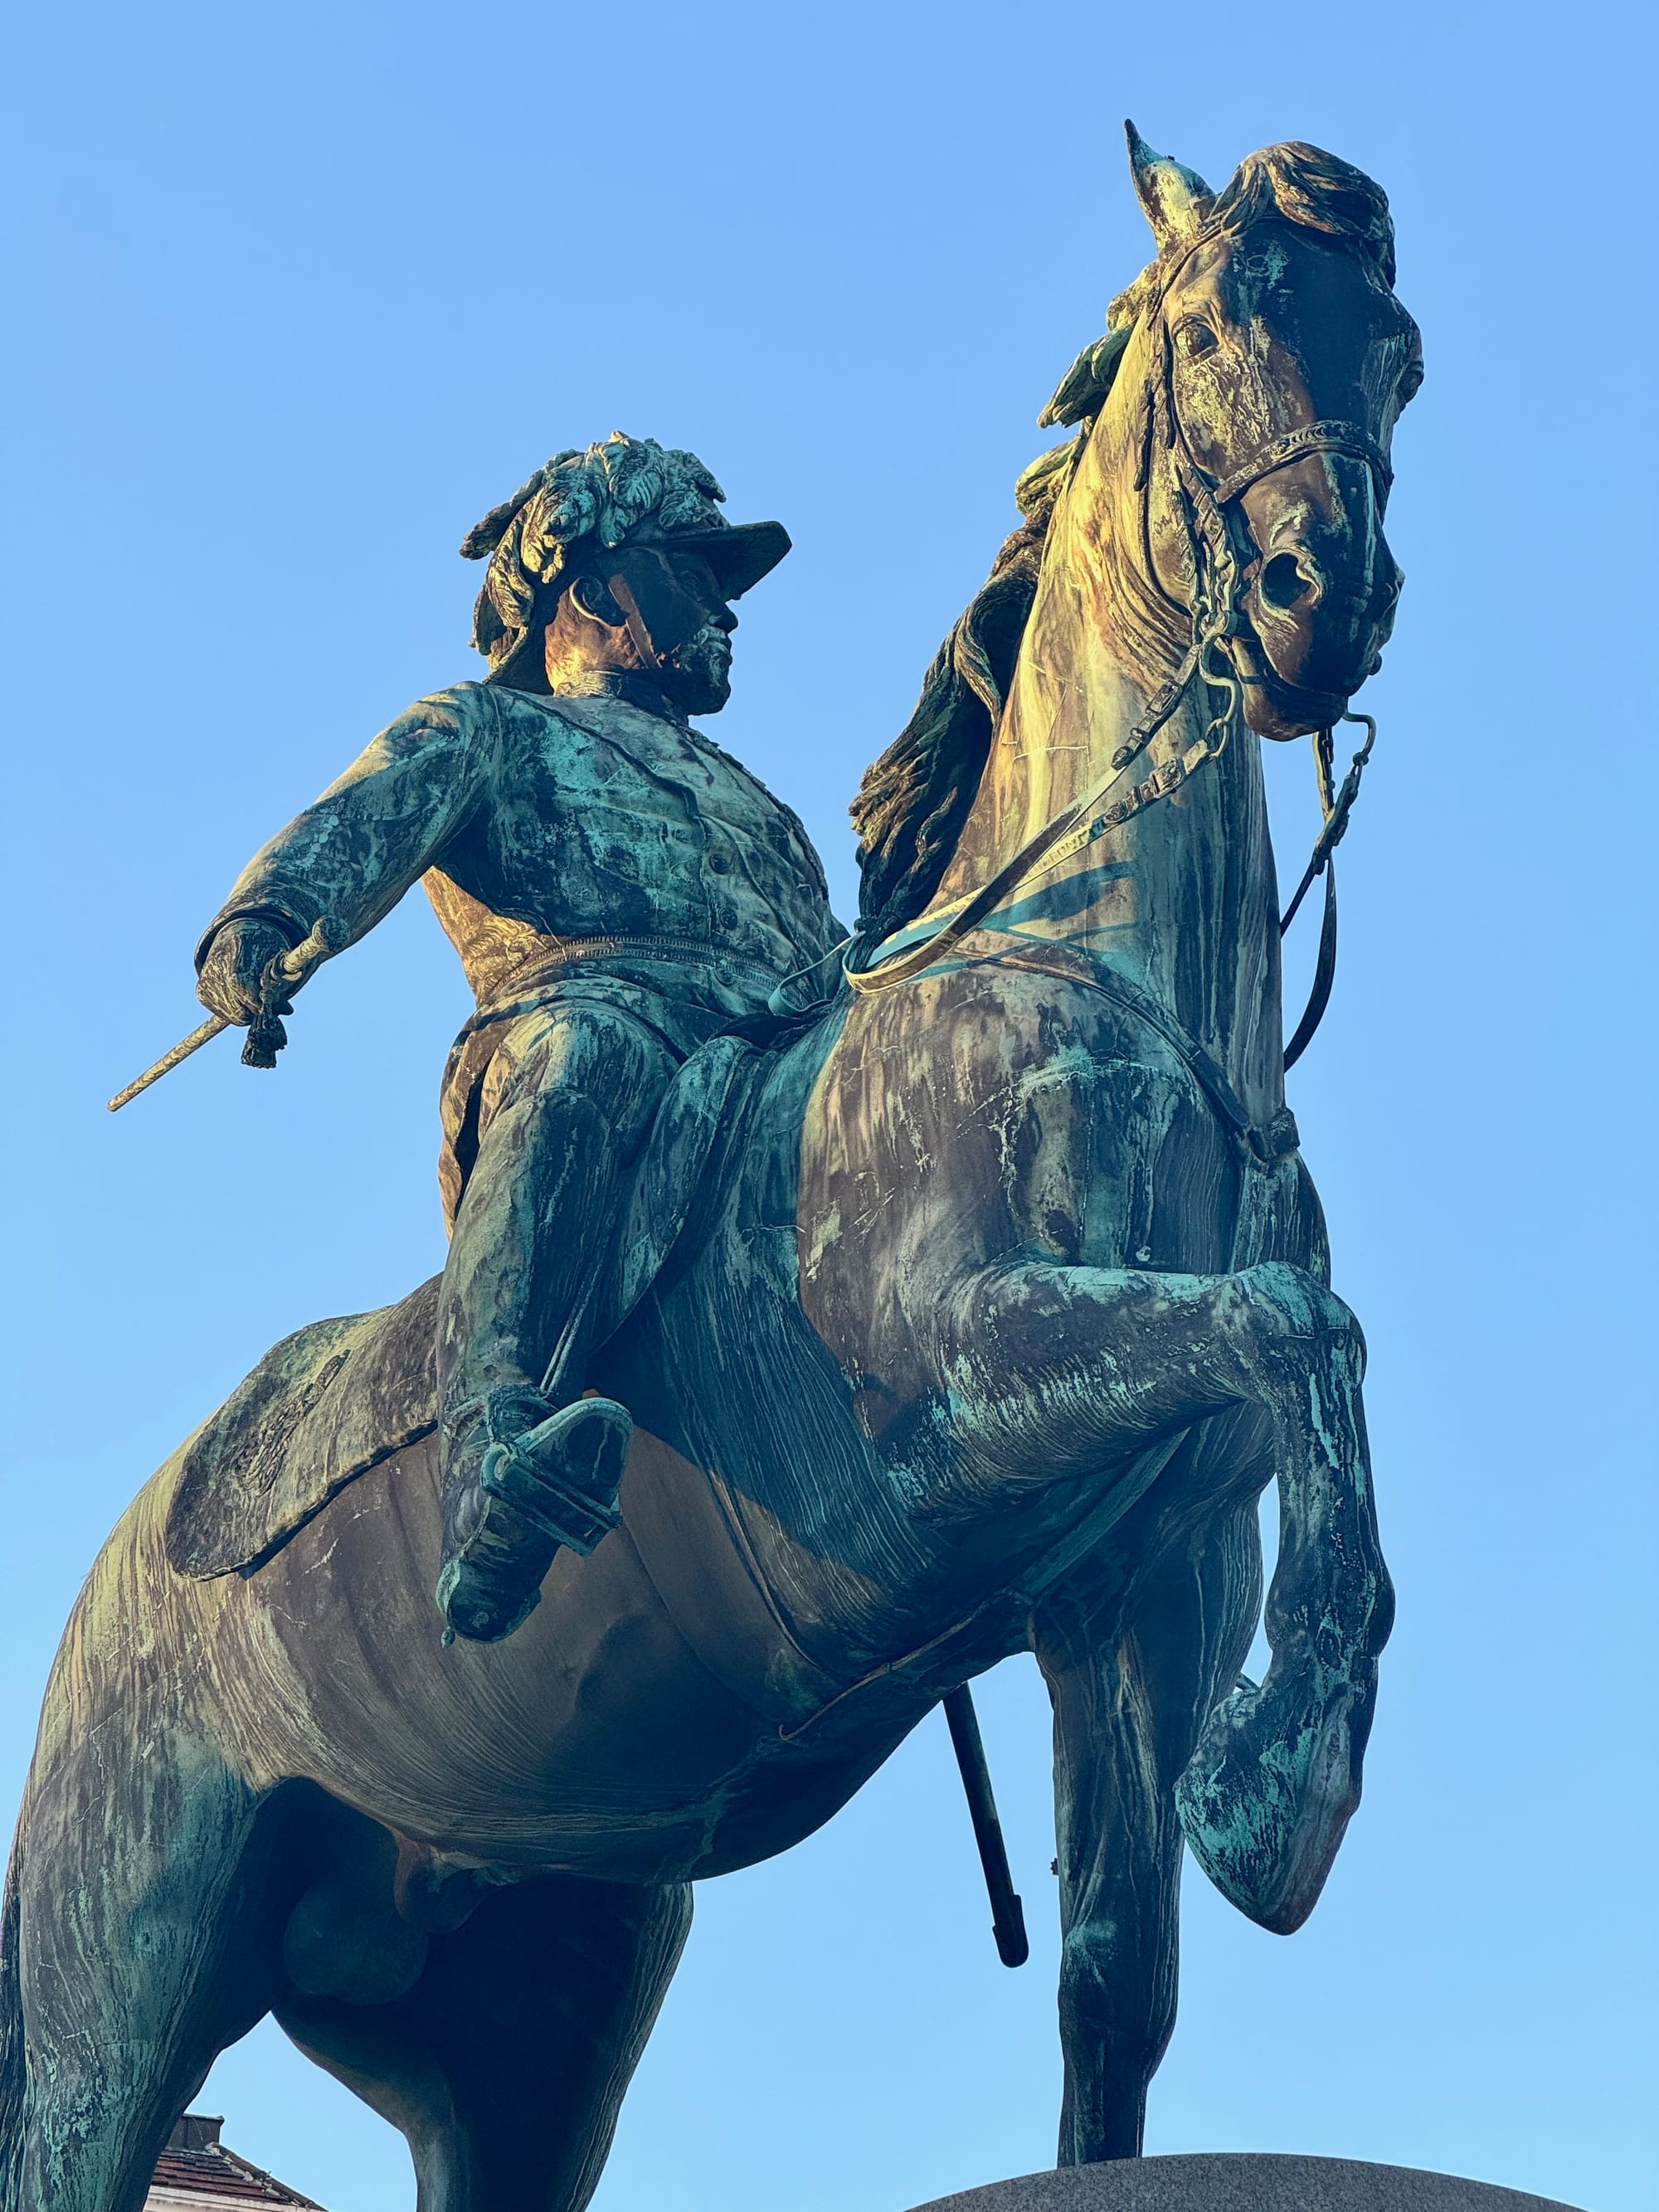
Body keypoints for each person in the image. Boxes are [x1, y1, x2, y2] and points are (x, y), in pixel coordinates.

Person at [194, 433, 841, 1643]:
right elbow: (358, 817)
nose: (726, 611)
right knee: (583, 1055)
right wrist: (262, 921)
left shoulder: (765, 809)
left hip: (769, 1041)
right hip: (590, 1019)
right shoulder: (489, 731)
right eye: (694, 573)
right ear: (596, 589)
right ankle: (492, 1457)